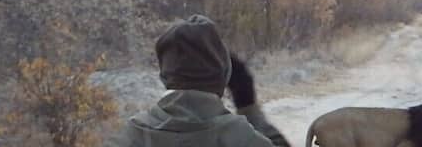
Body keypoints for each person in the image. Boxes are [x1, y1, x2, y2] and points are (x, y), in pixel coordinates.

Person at [116, 14, 291, 147]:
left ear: (164, 76)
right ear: (223, 76)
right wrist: (248, 107)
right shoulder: (243, 137)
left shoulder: (130, 136)